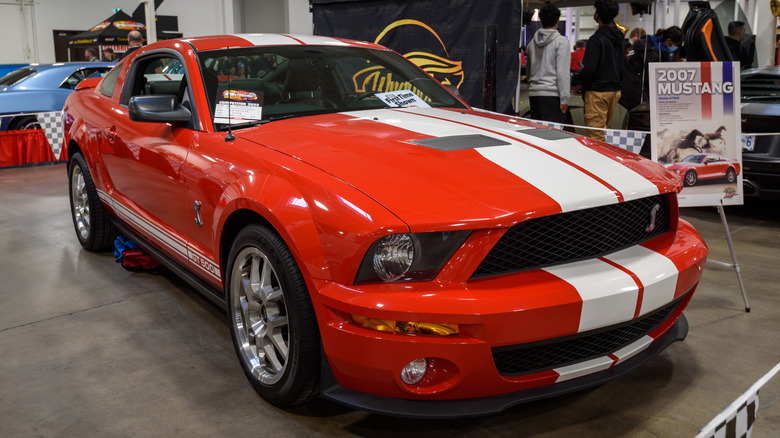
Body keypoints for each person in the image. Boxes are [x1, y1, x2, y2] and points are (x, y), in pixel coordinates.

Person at [571, 0, 624, 142]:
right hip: (614, 91)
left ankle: (599, 163)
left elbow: (590, 68)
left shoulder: (596, 39)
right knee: (604, 131)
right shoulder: (620, 39)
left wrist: (575, 80)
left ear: (597, 15)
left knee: (596, 136)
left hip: (598, 93)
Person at [526, 4, 570, 124]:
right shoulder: (562, 42)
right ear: (557, 20)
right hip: (552, 95)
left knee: (539, 134)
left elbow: (529, 71)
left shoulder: (531, 44)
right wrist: (564, 98)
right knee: (553, 136)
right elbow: (563, 73)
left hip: (534, 94)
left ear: (540, 20)